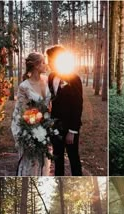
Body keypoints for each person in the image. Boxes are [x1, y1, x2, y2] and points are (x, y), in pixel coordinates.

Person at [11, 52, 51, 176]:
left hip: (44, 127)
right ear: (36, 65)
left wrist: (47, 124)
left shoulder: (46, 82)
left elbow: (48, 106)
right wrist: (31, 131)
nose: (46, 65)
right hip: (28, 129)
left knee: (43, 161)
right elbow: (21, 112)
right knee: (30, 162)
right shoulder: (24, 86)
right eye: (43, 62)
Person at [46, 45, 83, 176]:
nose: (48, 63)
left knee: (74, 159)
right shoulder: (51, 77)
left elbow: (78, 107)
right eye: (47, 60)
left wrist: (72, 131)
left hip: (70, 128)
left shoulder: (74, 79)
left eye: (50, 60)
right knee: (57, 159)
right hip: (55, 127)